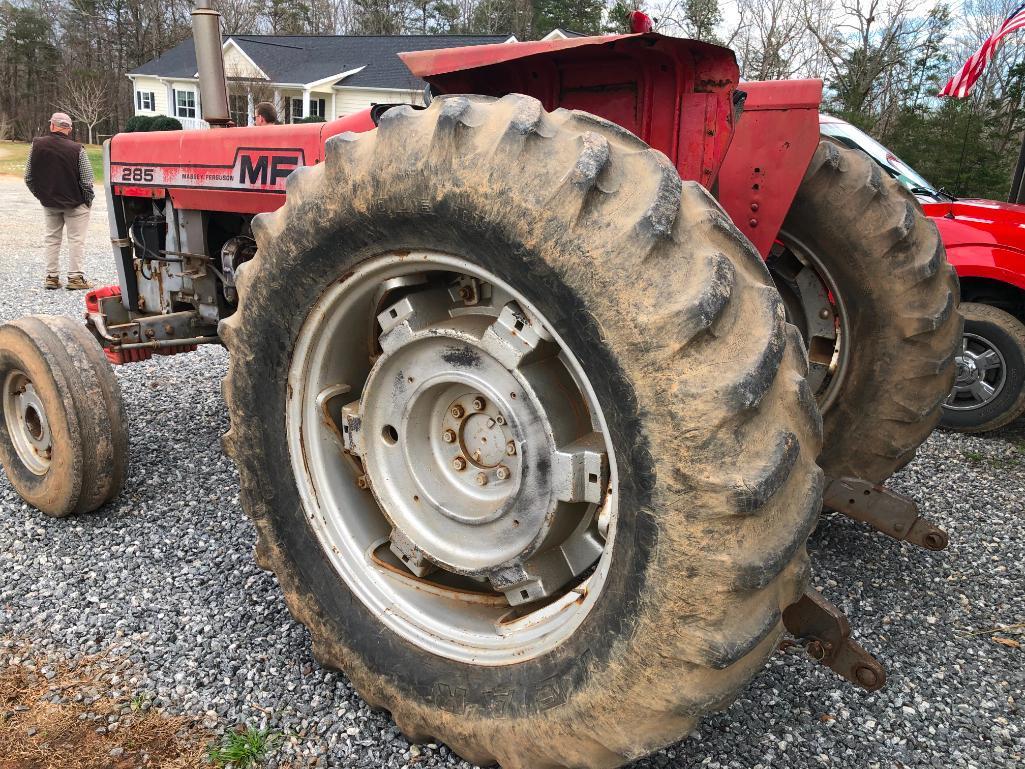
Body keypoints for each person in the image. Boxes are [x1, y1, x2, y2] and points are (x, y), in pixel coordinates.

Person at [24, 112, 95, 290]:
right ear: (69, 129)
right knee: (76, 240)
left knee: (52, 239)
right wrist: (88, 201)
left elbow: (28, 177)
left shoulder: (36, 145)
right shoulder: (77, 149)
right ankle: (75, 278)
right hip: (75, 203)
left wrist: (42, 195)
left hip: (49, 202)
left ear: (52, 126)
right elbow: (87, 180)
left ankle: (51, 277)